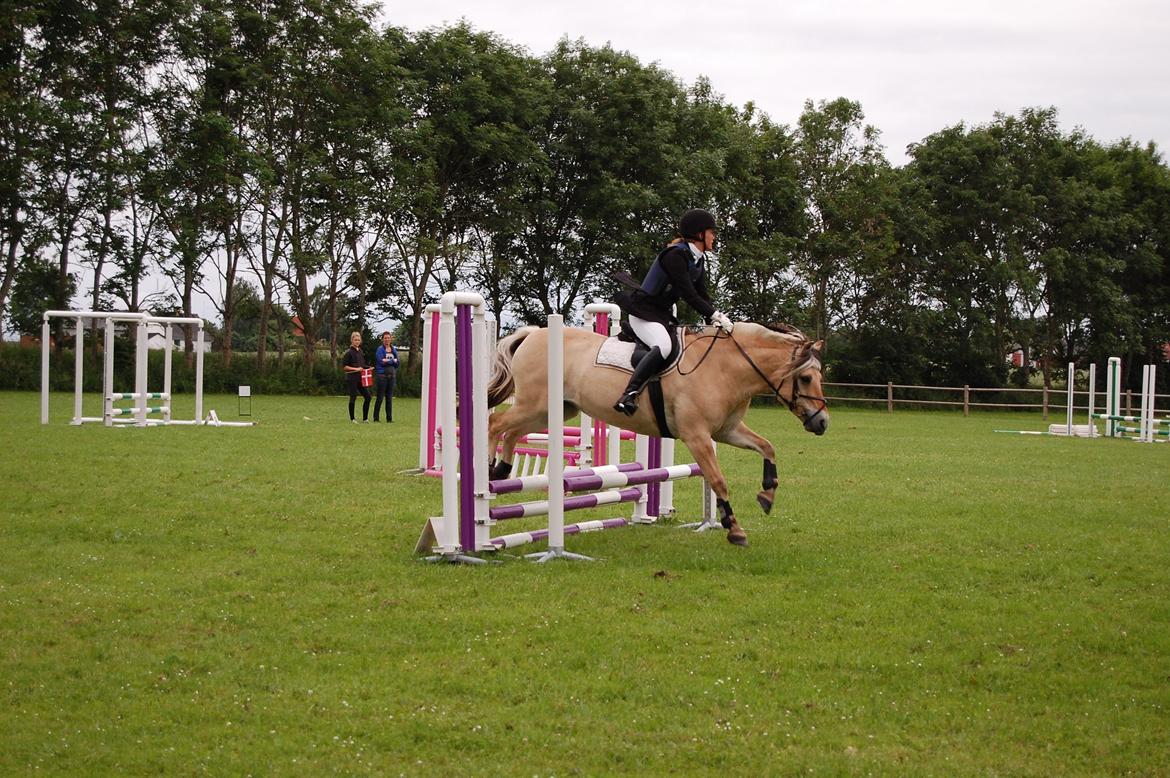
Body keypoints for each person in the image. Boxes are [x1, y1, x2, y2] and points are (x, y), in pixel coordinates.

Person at [612, 208, 734, 416]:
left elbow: (702, 294)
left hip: (661, 315)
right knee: (665, 347)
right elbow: (689, 295)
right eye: (711, 232)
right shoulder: (675, 256)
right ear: (699, 234)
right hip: (644, 312)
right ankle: (629, 394)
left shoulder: (697, 260)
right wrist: (717, 316)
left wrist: (711, 320)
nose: (714, 237)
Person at [342, 331, 372, 423]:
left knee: (368, 397)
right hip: (352, 378)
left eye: (359, 340)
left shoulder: (361, 351)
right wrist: (355, 369)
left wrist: (368, 367)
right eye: (355, 340)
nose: (357, 341)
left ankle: (365, 418)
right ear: (352, 340)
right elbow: (345, 367)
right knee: (353, 397)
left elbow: (362, 365)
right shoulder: (348, 353)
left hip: (361, 378)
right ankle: (352, 419)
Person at [373, 331, 400, 422]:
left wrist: (389, 361)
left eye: (389, 338)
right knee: (380, 397)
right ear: (382, 339)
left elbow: (398, 363)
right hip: (382, 376)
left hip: (392, 376)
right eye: (385, 338)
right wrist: (393, 361)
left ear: (391, 339)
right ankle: (376, 418)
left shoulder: (394, 349)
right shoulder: (380, 349)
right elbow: (381, 361)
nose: (387, 339)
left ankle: (389, 418)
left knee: (389, 398)